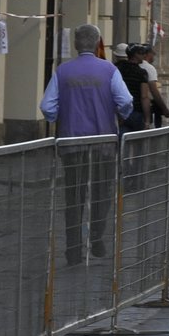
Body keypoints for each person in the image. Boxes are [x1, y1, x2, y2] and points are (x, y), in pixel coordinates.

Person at [39, 24, 133, 265]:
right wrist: (118, 114)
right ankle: (97, 238)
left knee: (74, 196)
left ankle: (73, 249)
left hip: (72, 142)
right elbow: (125, 101)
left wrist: (60, 116)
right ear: (98, 42)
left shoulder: (63, 71)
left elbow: (47, 106)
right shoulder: (109, 70)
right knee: (102, 193)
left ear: (76, 44)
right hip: (103, 142)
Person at [114, 44, 152, 132]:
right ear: (135, 55)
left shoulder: (117, 69)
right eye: (142, 53)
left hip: (119, 111)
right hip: (136, 112)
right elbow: (144, 97)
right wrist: (147, 120)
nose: (144, 55)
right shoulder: (141, 73)